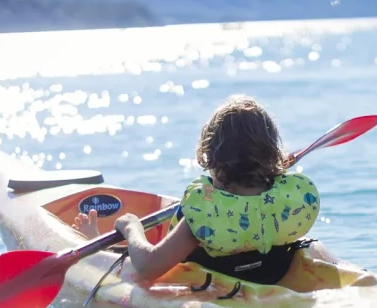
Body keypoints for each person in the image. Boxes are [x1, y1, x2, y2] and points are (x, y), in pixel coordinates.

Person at [72, 96, 321, 284]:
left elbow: (148, 267)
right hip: (268, 280)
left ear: (211, 157)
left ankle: (95, 241)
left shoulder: (206, 215)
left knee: (129, 252)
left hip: (215, 293)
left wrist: (131, 229)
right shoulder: (287, 203)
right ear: (271, 155)